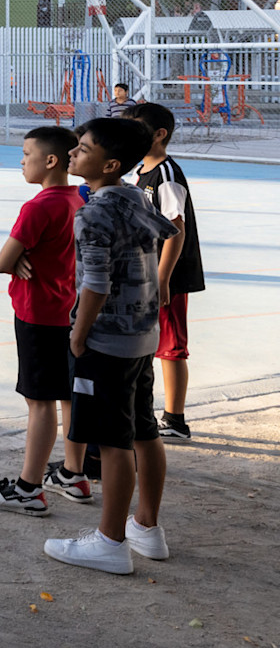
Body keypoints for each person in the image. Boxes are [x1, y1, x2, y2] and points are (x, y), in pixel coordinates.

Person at [43, 118, 177, 575]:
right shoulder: (135, 196)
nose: (73, 154)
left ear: (110, 164)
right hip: (141, 336)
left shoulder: (93, 213)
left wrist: (79, 334)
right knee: (144, 431)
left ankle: (110, 541)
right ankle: (147, 527)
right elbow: (170, 232)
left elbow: (96, 283)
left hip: (107, 342)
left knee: (113, 441)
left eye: (82, 149)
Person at [0, 126, 80, 517]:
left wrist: (15, 260)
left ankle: (28, 488)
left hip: (39, 313)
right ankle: (74, 474)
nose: (21, 162)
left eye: (26, 154)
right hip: (70, 309)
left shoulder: (38, 207)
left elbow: (2, 262)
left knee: (40, 402)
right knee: (68, 395)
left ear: (50, 161)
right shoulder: (78, 198)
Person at [125, 101, 203, 443]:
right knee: (144, 344)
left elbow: (176, 230)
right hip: (144, 274)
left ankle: (175, 419)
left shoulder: (167, 175)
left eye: (137, 130)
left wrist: (162, 278)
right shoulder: (139, 171)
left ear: (159, 134)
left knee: (170, 347)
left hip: (166, 276)